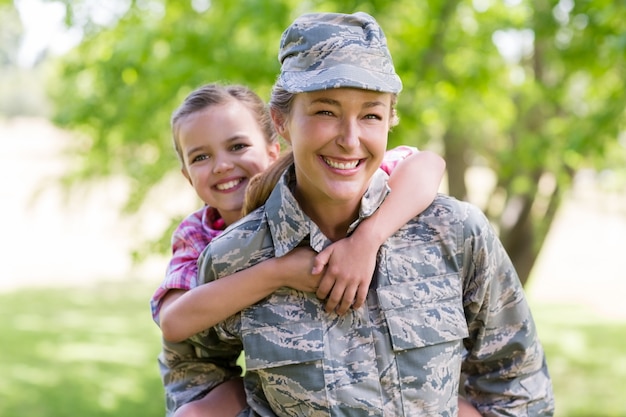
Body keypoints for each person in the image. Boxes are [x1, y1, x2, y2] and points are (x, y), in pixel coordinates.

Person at [162, 11, 555, 416]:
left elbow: (518, 382)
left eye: (370, 115)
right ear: (281, 121)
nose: (350, 140)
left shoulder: (454, 233)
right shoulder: (235, 258)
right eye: (325, 112)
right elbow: (193, 378)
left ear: (390, 121)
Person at [151, 83, 458, 416]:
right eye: (201, 157)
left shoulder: (314, 189)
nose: (222, 165)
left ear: (274, 150)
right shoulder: (199, 233)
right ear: (186, 175)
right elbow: (174, 322)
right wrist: (278, 271)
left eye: (237, 146)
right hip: (234, 380)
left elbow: (428, 163)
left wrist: (365, 240)